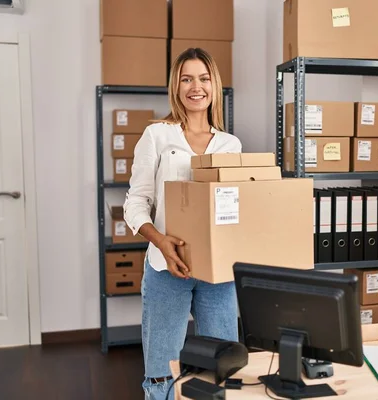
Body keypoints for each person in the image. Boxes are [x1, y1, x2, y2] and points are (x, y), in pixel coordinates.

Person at [123, 48, 242, 400]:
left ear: (214, 86)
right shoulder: (157, 135)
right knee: (161, 375)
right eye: (186, 78)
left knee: (224, 368)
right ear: (175, 86)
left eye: (204, 79)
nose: (196, 87)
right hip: (165, 269)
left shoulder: (230, 143)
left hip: (217, 274)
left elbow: (233, 208)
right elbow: (135, 202)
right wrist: (160, 240)